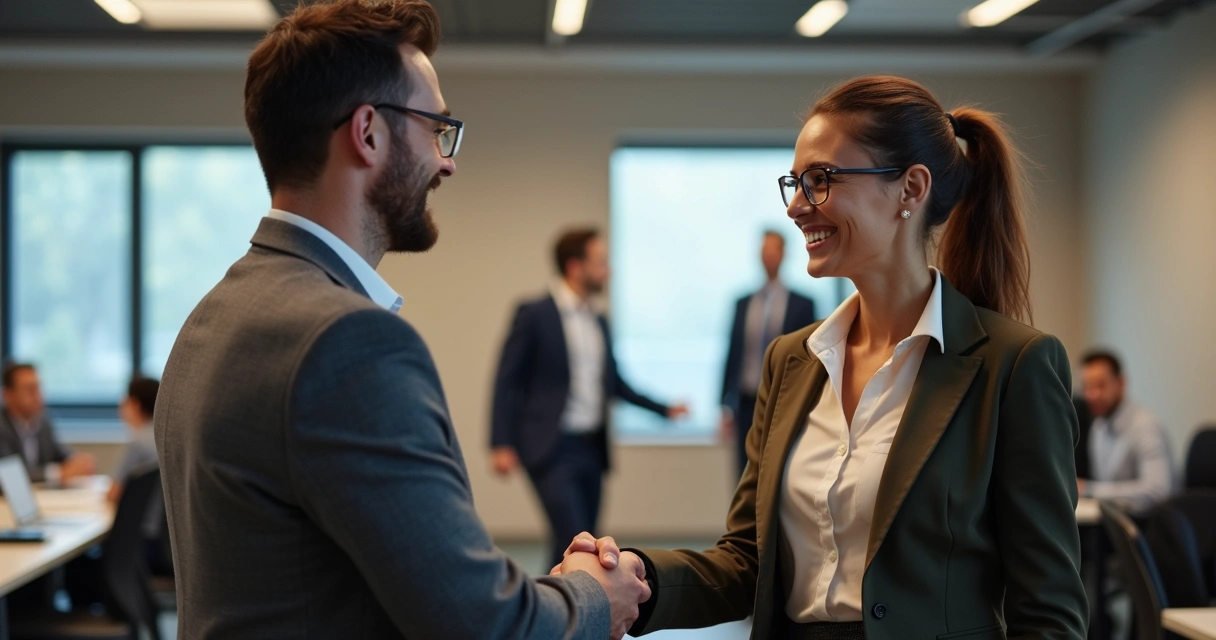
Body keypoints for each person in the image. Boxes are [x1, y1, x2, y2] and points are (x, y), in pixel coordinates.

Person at [153, 2, 648, 639]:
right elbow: (482, 626)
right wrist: (594, 593)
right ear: (368, 133)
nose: (447, 162)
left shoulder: (214, 315)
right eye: (436, 127)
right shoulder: (347, 342)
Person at [556, 75, 1089, 640]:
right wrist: (639, 577)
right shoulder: (792, 360)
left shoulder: (1014, 366)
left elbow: (1049, 613)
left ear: (911, 189)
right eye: (795, 182)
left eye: (822, 181)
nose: (795, 206)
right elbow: (748, 562)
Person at [490, 228, 689, 569]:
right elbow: (506, 381)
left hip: (591, 450)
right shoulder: (534, 314)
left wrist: (663, 409)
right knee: (578, 539)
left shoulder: (599, 319)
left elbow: (615, 383)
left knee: (571, 542)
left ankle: (551, 614)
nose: (607, 271)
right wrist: (500, 442)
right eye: (600, 263)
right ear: (574, 267)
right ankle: (568, 615)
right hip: (550, 447)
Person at [720, 230, 817, 478]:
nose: (768, 256)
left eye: (773, 249)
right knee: (744, 473)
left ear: (784, 254)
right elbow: (733, 354)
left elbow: (811, 358)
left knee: (779, 472)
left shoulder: (802, 304)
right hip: (745, 402)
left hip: (783, 401)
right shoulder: (743, 302)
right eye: (764, 250)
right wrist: (723, 405)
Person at [1078, 349, 1174, 515]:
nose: (1092, 395)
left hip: (1150, 528)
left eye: (1101, 385)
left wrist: (1089, 490)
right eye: (1087, 387)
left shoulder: (1146, 426)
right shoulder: (1098, 425)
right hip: (1114, 521)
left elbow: (1157, 491)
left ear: (1121, 383)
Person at [108, 376, 168, 572]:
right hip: (160, 541)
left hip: (141, 544)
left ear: (134, 404)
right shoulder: (162, 435)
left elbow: (114, 494)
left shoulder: (138, 443)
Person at [0, 362, 95, 483]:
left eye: (38, 388)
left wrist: (77, 462)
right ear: (8, 395)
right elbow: (8, 474)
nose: (37, 396)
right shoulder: (2, 426)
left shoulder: (43, 420)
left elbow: (59, 453)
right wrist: (56, 473)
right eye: (30, 390)